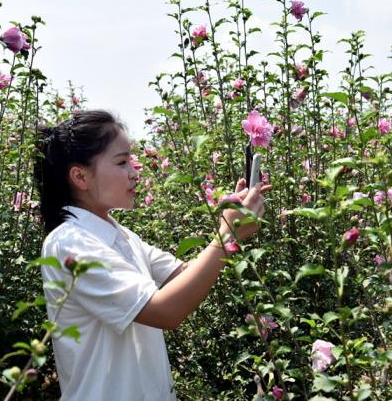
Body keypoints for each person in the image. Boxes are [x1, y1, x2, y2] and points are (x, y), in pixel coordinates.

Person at [33, 109, 271, 401]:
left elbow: (186, 276)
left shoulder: (119, 235)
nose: (134, 171)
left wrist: (229, 221)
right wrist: (225, 238)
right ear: (80, 176)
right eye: (121, 162)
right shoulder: (70, 243)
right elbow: (164, 310)